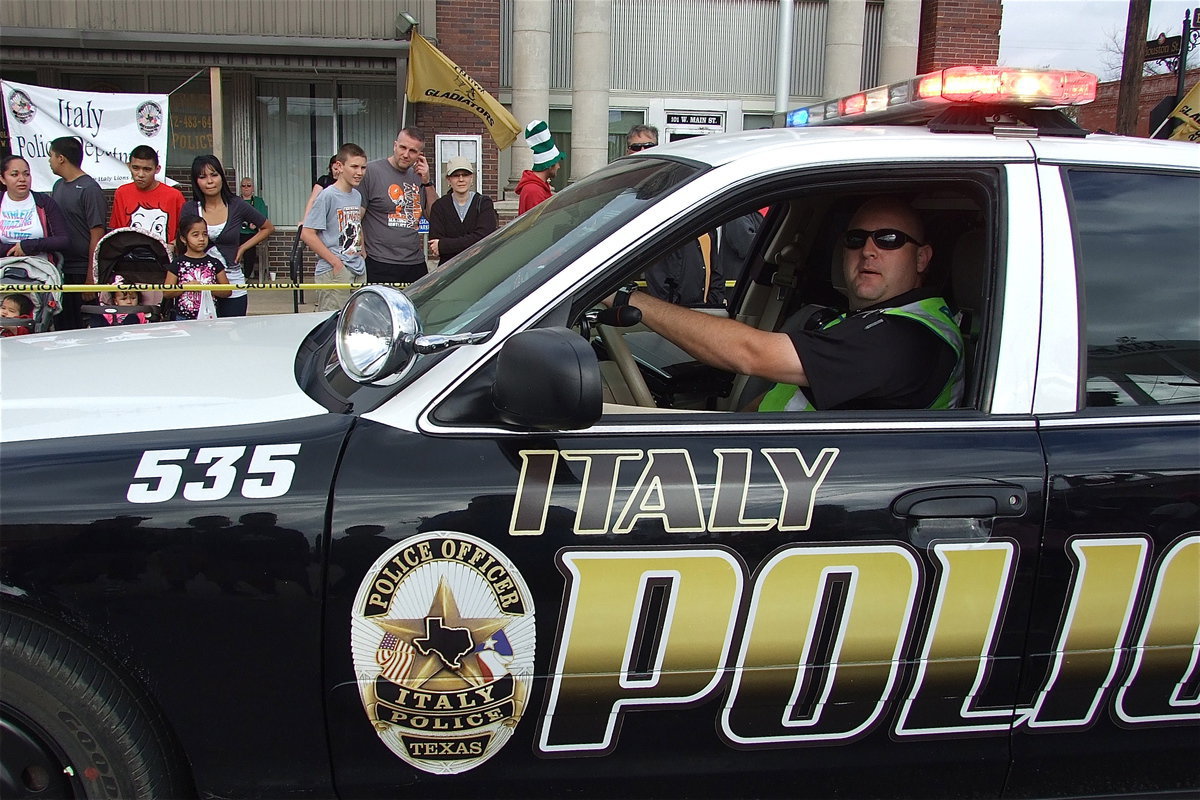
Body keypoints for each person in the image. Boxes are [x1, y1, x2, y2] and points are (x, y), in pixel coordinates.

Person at [611, 197, 964, 412]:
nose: (868, 251)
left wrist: (628, 298)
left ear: (922, 258)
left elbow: (752, 353)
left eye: (889, 240)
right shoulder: (861, 320)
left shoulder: (905, 339)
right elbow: (778, 398)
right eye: (856, 239)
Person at [623, 125, 722, 306]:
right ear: (628, 151)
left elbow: (712, 259)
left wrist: (714, 300)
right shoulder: (625, 194)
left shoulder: (679, 188)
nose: (643, 151)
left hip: (700, 304)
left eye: (649, 145)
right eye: (637, 147)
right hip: (659, 303)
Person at [183, 154, 274, 317]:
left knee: (233, 334)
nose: (210, 181)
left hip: (233, 281)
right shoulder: (189, 208)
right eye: (203, 177)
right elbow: (181, 243)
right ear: (196, 181)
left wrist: (243, 248)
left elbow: (267, 227)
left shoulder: (237, 204)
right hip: (199, 284)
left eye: (214, 175)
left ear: (222, 177)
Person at [359, 127, 437, 285]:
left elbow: (434, 216)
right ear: (395, 145)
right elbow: (356, 217)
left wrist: (427, 182)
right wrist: (363, 254)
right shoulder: (371, 172)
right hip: (379, 261)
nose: (406, 154)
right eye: (403, 147)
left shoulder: (420, 177)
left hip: (414, 262)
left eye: (413, 151)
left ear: (420, 155)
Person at [48, 136, 107, 330]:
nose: (50, 161)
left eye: (51, 156)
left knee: (83, 327)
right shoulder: (57, 186)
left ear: (61, 158)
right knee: (61, 324)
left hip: (82, 271)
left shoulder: (90, 189)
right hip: (61, 269)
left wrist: (90, 277)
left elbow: (97, 233)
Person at [300, 142, 367, 312]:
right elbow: (307, 233)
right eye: (354, 166)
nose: (359, 172)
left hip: (356, 266)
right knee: (332, 323)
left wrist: (362, 252)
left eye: (363, 167)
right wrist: (335, 262)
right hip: (335, 270)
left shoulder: (356, 195)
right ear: (339, 166)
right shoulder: (327, 195)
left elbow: (355, 224)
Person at [427, 156, 498, 266]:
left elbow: (485, 238)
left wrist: (444, 245)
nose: (461, 179)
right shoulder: (440, 206)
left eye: (465, 175)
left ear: (471, 178)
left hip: (478, 267)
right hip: (448, 269)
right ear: (448, 179)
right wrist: (472, 240)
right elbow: (435, 246)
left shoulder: (484, 203)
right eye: (456, 175)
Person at [108, 145, 185, 245]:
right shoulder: (121, 193)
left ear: (157, 169)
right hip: (129, 257)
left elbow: (186, 233)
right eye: (135, 168)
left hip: (164, 258)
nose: (140, 174)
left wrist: (173, 246)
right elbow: (117, 232)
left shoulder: (174, 196)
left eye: (147, 169)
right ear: (128, 166)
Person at [1, 154, 69, 260]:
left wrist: (29, 246)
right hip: (4, 268)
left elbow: (63, 240)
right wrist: (16, 249)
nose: (22, 179)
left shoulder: (44, 202)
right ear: (2, 179)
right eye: (14, 175)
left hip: (40, 268)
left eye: (26, 174)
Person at [165, 214, 231, 321]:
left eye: (205, 234)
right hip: (183, 318)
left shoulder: (215, 263)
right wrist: (186, 287)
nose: (201, 239)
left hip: (209, 317)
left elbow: (227, 291)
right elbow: (167, 292)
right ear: (183, 239)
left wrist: (206, 288)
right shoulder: (177, 263)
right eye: (195, 235)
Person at [516, 119, 564, 214]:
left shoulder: (538, 188)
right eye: (557, 162)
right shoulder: (534, 191)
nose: (559, 166)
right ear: (549, 165)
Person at [238, 177, 269, 281]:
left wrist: (256, 224)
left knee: (249, 249)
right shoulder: (236, 201)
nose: (246, 188)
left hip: (252, 233)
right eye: (243, 186)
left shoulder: (258, 201)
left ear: (253, 188)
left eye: (249, 185)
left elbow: (264, 218)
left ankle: (246, 275)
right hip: (237, 232)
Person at [300, 155, 341, 225]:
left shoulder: (346, 183)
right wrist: (305, 220)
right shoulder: (324, 180)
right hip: (323, 216)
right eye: (335, 169)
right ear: (331, 167)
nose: (337, 172)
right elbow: (312, 200)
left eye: (339, 169)